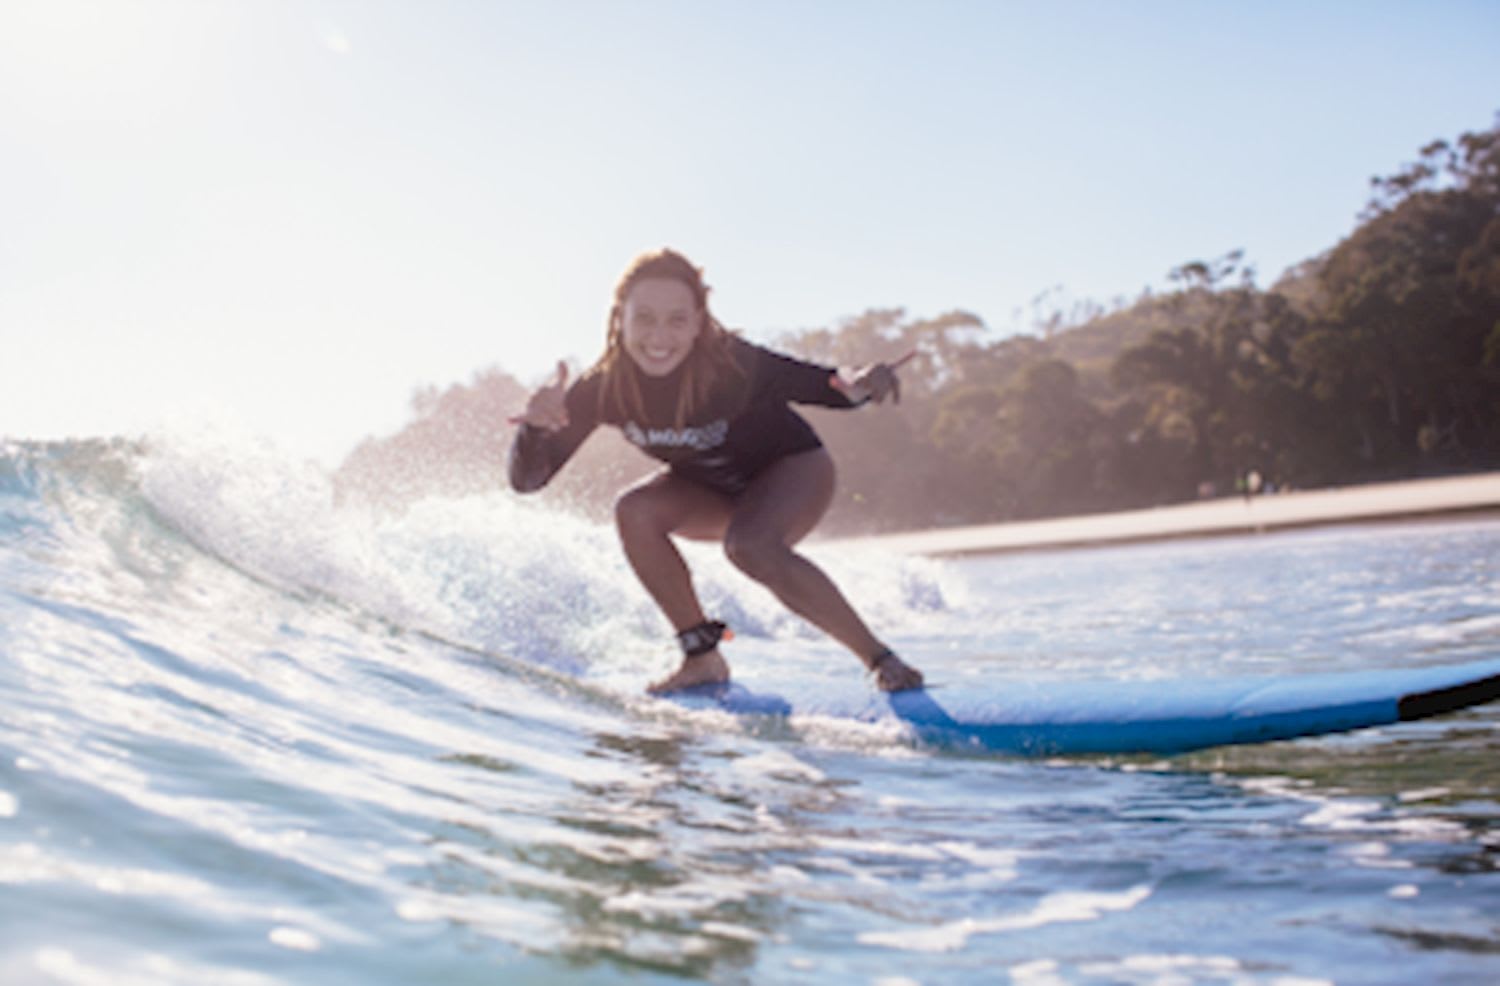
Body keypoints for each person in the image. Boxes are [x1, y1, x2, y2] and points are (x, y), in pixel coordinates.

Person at [508, 248, 925, 695]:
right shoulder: (603, 388)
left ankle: (881, 659)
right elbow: (529, 481)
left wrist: (861, 382)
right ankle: (702, 658)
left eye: (677, 320)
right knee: (634, 510)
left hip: (794, 471)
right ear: (620, 319)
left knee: (750, 546)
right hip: (711, 493)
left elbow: (826, 385)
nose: (659, 336)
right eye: (644, 318)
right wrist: (533, 432)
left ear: (698, 321)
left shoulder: (733, 364)